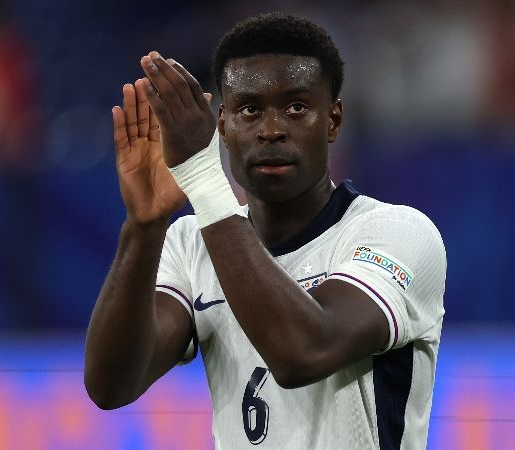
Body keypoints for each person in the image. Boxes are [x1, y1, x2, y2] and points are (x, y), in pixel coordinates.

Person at [84, 13, 446, 450]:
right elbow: (111, 386)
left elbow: (303, 354)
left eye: (296, 107)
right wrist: (143, 227)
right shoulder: (188, 244)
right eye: (249, 110)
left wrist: (203, 177)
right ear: (222, 126)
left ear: (332, 121)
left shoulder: (397, 233)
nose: (271, 131)